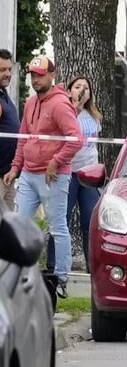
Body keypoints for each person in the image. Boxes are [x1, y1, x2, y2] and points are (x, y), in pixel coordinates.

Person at [2, 56, 81, 297]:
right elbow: (23, 138)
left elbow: (76, 139)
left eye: (40, 75)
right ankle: (22, 274)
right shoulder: (30, 103)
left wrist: (56, 162)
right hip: (28, 173)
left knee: (58, 227)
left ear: (52, 75)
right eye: (33, 75)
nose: (35, 79)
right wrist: (15, 168)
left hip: (53, 176)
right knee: (20, 225)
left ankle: (62, 278)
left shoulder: (60, 104)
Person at [57, 77, 102, 265]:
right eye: (77, 87)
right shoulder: (66, 113)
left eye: (86, 87)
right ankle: (56, 265)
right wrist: (74, 106)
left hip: (89, 174)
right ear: (69, 91)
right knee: (62, 218)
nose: (82, 90)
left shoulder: (94, 115)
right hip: (69, 172)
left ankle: (92, 267)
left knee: (90, 221)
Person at [0, 49, 18, 210]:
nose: (7, 74)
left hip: (8, 174)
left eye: (9, 69)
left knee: (9, 227)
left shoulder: (4, 93)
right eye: (2, 70)